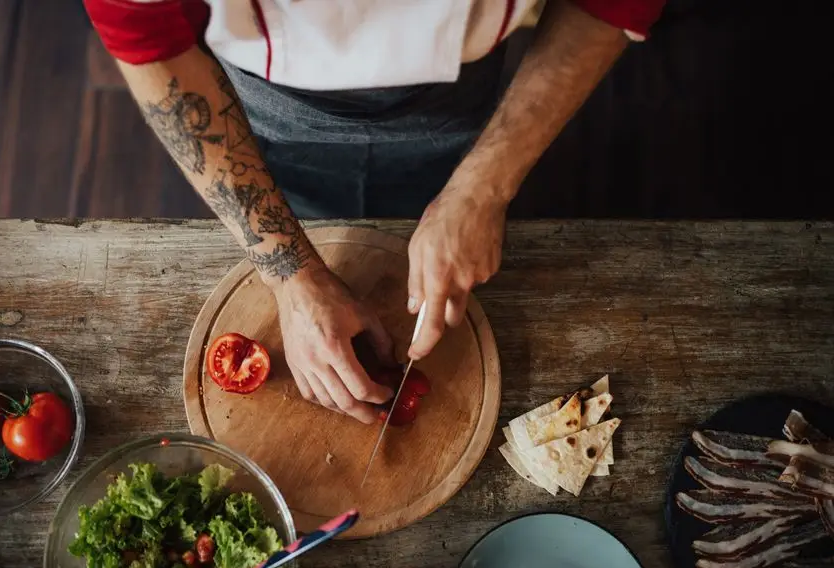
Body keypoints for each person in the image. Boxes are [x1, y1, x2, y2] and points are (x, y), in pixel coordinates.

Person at [83, 0, 666, 423]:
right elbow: (146, 32)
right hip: (267, 98)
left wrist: (484, 187)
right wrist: (290, 274)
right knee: (304, 198)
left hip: (459, 84)